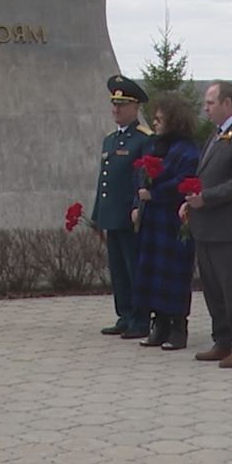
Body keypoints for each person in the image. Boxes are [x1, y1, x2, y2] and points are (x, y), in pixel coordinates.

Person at [184, 82, 232, 369]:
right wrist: (191, 201)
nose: (206, 108)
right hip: (207, 227)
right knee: (213, 290)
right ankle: (223, 341)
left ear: (228, 104)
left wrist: (206, 198)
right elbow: (207, 175)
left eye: (210, 102)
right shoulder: (217, 136)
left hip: (231, 229)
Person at [133, 94, 202, 350]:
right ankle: (158, 323)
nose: (155, 122)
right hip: (152, 219)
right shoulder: (154, 145)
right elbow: (140, 171)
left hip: (173, 220)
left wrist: (155, 193)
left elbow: (184, 181)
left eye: (160, 118)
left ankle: (177, 327)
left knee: (173, 273)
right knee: (152, 271)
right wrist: (139, 198)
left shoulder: (187, 149)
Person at [92, 76, 155, 339]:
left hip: (131, 216)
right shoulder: (109, 140)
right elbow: (104, 181)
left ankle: (141, 319)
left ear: (135, 107)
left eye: (122, 104)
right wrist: (97, 216)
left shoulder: (143, 139)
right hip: (112, 215)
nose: (116, 109)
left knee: (134, 268)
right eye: (114, 104)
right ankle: (124, 315)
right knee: (118, 270)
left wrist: (138, 207)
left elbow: (143, 178)